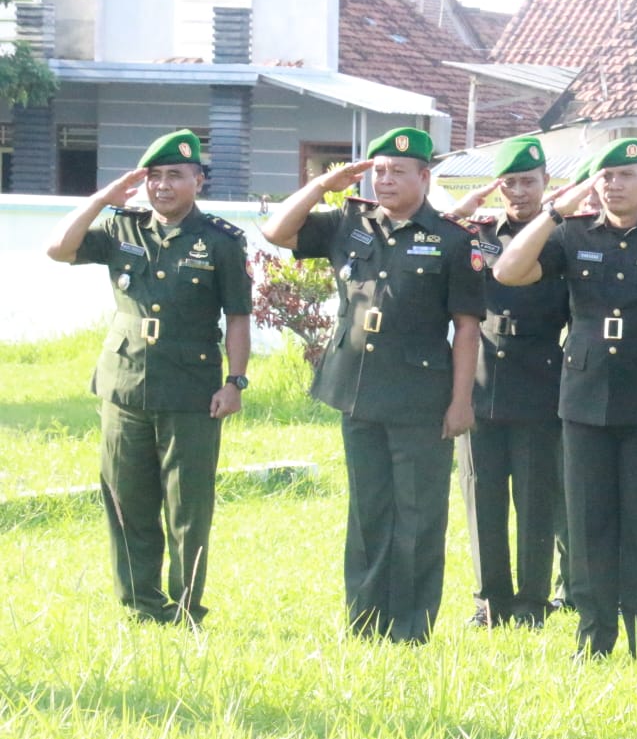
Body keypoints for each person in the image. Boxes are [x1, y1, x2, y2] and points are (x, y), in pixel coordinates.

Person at [261, 126, 483, 644]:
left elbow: (467, 327)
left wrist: (461, 401)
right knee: (367, 511)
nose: (384, 180)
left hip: (420, 397)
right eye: (378, 170)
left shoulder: (453, 241)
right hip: (356, 390)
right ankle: (365, 622)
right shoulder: (349, 224)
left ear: (424, 177)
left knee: (418, 514)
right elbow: (276, 232)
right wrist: (323, 186)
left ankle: (410, 626)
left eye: (398, 172)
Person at [493, 136, 637, 662]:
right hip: (584, 403)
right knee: (589, 528)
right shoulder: (570, 235)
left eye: (626, 175)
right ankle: (594, 638)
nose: (614, 184)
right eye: (604, 176)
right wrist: (551, 211)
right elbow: (507, 271)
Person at [46, 129, 251, 625]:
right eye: (154, 177)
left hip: (191, 391)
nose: (162, 186)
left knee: (187, 509)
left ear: (197, 181)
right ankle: (140, 605)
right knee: (127, 504)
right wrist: (101, 199)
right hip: (123, 384)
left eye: (175, 176)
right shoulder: (123, 228)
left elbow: (238, 317)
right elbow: (58, 248)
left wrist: (235, 381)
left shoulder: (220, 241)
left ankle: (186, 608)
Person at [447, 137, 570, 629]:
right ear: (498, 186)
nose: (519, 192)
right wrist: (457, 213)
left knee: (538, 495)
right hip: (480, 370)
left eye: (528, 182)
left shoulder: (562, 236)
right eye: (511, 183)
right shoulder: (477, 233)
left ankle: (534, 601)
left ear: (545, 183)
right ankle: (490, 600)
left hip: (540, 370)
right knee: (482, 491)